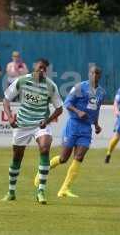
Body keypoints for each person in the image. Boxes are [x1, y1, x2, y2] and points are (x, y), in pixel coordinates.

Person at [36, 65, 105, 198]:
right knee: (63, 158)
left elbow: (96, 110)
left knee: (79, 157)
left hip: (86, 129)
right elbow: (67, 103)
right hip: (73, 125)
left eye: (97, 73)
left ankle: (64, 189)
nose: (94, 75)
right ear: (89, 74)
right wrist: (78, 111)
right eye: (92, 73)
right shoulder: (80, 87)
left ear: (100, 75)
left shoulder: (101, 92)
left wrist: (96, 125)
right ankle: (41, 173)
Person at [1, 58, 63, 204]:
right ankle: (11, 192)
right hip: (22, 123)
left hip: (40, 124)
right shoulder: (22, 81)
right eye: (40, 67)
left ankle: (41, 191)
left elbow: (59, 108)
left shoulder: (50, 86)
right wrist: (10, 117)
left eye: (44, 69)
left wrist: (47, 121)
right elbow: (6, 99)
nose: (41, 70)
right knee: (17, 157)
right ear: (34, 66)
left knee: (45, 147)